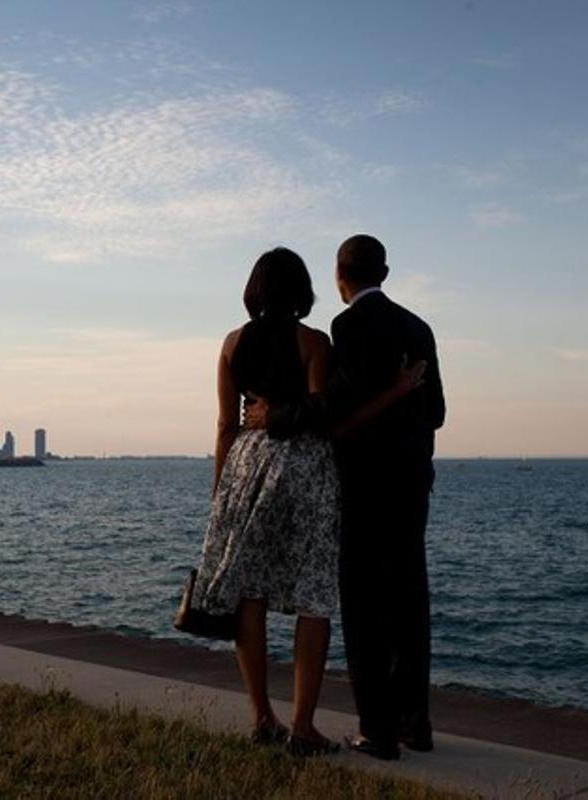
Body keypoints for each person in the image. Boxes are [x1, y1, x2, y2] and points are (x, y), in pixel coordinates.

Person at [175, 247, 421, 757]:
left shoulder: (230, 344)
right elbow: (320, 410)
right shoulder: (313, 341)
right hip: (303, 468)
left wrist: (221, 492)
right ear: (303, 290)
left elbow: (225, 425)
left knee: (250, 593)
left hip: (245, 464)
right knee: (312, 596)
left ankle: (262, 716)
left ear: (254, 290)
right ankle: (302, 725)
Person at [247, 234, 446, 760]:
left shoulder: (348, 326)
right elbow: (439, 412)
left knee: (363, 607)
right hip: (412, 485)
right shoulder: (419, 328)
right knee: (409, 602)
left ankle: (377, 731)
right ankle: (415, 724)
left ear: (341, 278)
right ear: (386, 271)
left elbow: (331, 408)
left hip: (363, 485)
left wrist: (275, 418)